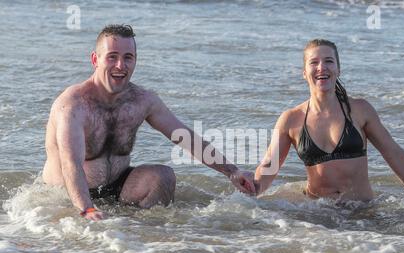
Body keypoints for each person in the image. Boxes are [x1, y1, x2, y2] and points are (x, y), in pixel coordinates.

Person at [43, 24, 255, 221]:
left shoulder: (142, 100)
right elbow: (71, 163)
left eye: (128, 57)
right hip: (68, 193)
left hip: (117, 185)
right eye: (112, 57)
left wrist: (232, 171)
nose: (120, 65)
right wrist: (86, 208)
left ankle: (139, 240)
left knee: (163, 177)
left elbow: (185, 137)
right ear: (95, 59)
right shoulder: (72, 106)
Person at [252, 39, 404, 203]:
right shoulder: (291, 119)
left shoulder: (360, 110)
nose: (321, 67)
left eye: (329, 61)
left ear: (338, 70)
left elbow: (392, 152)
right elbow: (269, 165)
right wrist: (252, 191)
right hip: (317, 213)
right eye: (314, 62)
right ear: (304, 72)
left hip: (363, 210)